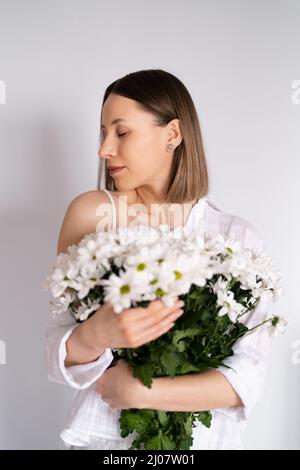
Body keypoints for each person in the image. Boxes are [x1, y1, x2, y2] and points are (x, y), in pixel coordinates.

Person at [45, 69, 272, 450]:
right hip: (107, 442)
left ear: (172, 134)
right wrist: (95, 334)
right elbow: (56, 349)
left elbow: (246, 378)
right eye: (103, 133)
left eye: (121, 131)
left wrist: (142, 393)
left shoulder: (235, 238)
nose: (104, 149)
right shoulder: (91, 215)